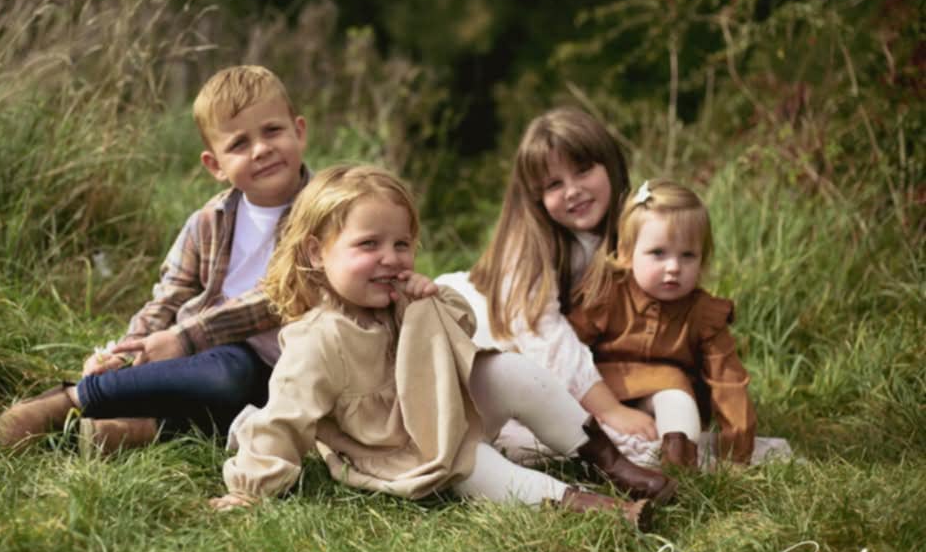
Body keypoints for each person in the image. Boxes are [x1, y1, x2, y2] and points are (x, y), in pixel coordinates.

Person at [210, 165, 674, 529]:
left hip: (447, 412)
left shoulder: (401, 301)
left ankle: (611, 463)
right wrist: (250, 488)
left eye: (402, 243)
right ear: (317, 253)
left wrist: (429, 302)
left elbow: (463, 331)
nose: (390, 258)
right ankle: (587, 506)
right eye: (368, 244)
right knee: (477, 467)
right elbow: (285, 419)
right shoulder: (319, 340)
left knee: (510, 371)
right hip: (398, 448)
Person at [0, 65, 311, 454]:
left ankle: (85, 402)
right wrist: (126, 350)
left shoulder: (327, 212)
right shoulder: (208, 222)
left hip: (294, 364)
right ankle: (110, 418)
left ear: (299, 131)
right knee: (220, 376)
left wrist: (185, 338)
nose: (261, 149)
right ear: (215, 165)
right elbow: (171, 295)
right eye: (239, 144)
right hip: (213, 358)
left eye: (273, 131)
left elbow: (285, 292)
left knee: (240, 387)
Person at [437, 107, 662, 479]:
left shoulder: (625, 229)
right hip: (472, 335)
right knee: (574, 437)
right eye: (553, 185)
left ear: (610, 164)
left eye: (583, 170)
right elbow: (545, 336)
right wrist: (608, 408)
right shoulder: (528, 244)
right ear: (535, 197)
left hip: (535, 357)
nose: (572, 191)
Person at [567, 179, 756, 467]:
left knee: (677, 400)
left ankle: (677, 468)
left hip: (669, 393)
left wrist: (737, 450)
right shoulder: (608, 296)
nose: (673, 267)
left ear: (702, 260)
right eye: (658, 253)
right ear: (628, 253)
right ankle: (609, 458)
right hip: (605, 391)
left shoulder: (704, 313)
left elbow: (728, 381)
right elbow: (567, 348)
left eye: (688, 255)